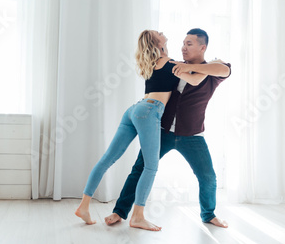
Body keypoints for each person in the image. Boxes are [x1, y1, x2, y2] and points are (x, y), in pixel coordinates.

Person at [75, 30, 207, 231]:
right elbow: (196, 80)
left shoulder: (151, 62)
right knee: (151, 167)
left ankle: (84, 206)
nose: (162, 32)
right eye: (158, 33)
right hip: (149, 111)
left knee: (107, 159)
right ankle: (137, 216)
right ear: (157, 42)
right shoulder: (171, 63)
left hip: (134, 110)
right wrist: (214, 67)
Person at [104, 28, 231, 228]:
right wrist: (181, 66)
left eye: (189, 44)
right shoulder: (172, 66)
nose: (183, 48)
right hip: (161, 131)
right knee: (139, 169)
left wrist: (200, 67)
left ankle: (208, 214)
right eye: (183, 43)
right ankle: (120, 211)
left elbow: (225, 70)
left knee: (208, 176)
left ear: (202, 47)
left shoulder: (212, 71)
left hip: (192, 134)